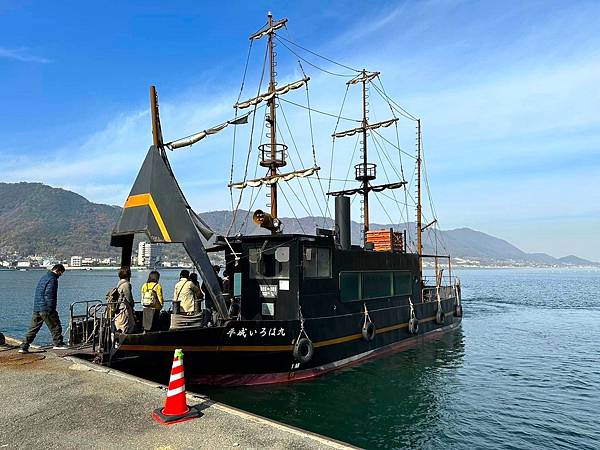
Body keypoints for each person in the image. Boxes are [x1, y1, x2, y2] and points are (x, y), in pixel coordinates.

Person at [19, 264, 67, 353]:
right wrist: (51, 308)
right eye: (61, 273)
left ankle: (23, 347)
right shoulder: (53, 279)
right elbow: (49, 294)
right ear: (57, 270)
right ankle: (58, 344)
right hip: (46, 308)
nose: (60, 275)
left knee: (33, 328)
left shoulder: (44, 277)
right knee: (56, 326)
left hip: (37, 307)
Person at [114, 266, 135, 334]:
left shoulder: (119, 283)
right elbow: (129, 297)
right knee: (126, 324)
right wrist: (132, 304)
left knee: (119, 323)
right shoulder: (126, 284)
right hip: (124, 307)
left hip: (118, 306)